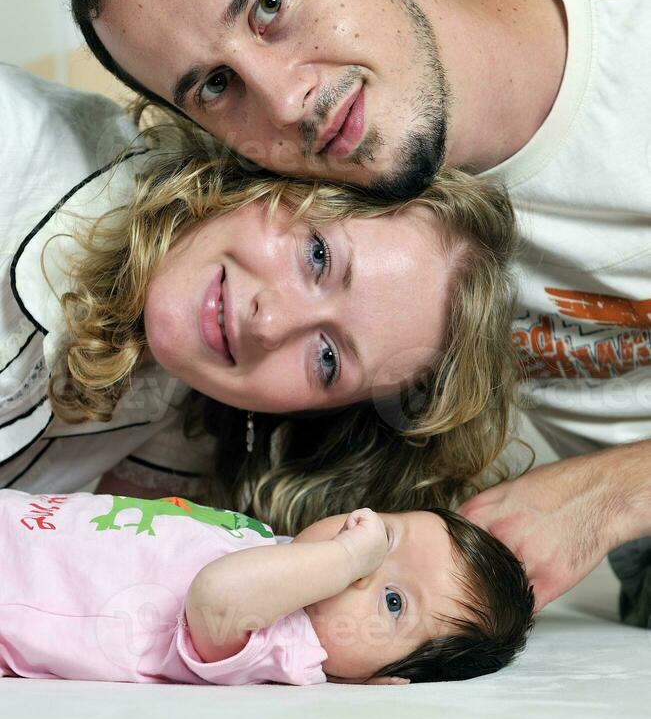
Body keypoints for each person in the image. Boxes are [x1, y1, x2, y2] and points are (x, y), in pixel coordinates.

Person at [61, 0, 651, 607]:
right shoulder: (318, 210)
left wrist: (614, 491)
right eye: (216, 86)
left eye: (270, 5)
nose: (284, 101)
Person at [0, 64, 518, 533]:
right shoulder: (16, 148)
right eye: (318, 257)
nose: (270, 324)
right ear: (279, 177)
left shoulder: (186, 404)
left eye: (328, 358)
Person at [0, 491, 534, 685]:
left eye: (393, 602)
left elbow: (214, 600)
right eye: (384, 536)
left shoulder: (289, 642)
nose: (366, 563)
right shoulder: (269, 542)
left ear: (385, 680)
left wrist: (345, 555)